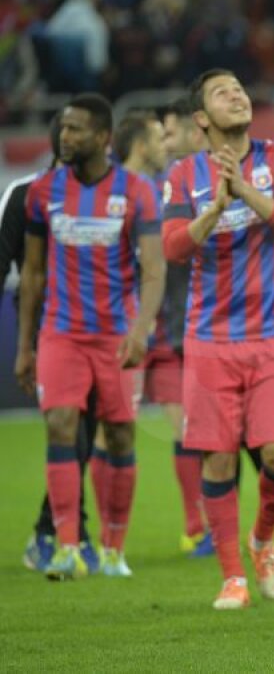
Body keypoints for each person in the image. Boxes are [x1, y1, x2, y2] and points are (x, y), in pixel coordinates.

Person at [162, 69, 274, 609]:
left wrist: (243, 190)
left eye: (240, 89)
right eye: (222, 93)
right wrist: (215, 210)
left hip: (272, 332)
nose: (237, 96)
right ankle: (233, 578)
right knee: (218, 461)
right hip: (209, 339)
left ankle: (263, 539)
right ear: (201, 118)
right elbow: (173, 247)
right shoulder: (183, 174)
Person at [17, 93, 165, 580]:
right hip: (61, 334)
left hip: (116, 337)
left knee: (119, 435)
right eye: (63, 127)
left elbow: (154, 269)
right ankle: (66, 547)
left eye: (76, 128)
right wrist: (25, 345)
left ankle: (113, 548)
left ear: (103, 137)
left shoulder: (136, 191)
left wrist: (140, 331)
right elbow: (33, 273)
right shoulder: (44, 191)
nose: (65, 136)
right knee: (60, 424)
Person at [6, 114, 102, 574]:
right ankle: (68, 533)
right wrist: (25, 344)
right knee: (71, 431)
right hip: (52, 333)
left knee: (86, 435)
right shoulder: (25, 194)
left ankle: (54, 530)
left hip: (103, 335)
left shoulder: (107, 196)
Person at [114, 107, 212, 556]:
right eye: (159, 136)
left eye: (169, 135)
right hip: (116, 328)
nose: (166, 144)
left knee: (186, 427)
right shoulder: (107, 192)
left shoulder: (170, 190)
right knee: (104, 431)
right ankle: (82, 536)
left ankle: (196, 525)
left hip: (169, 329)